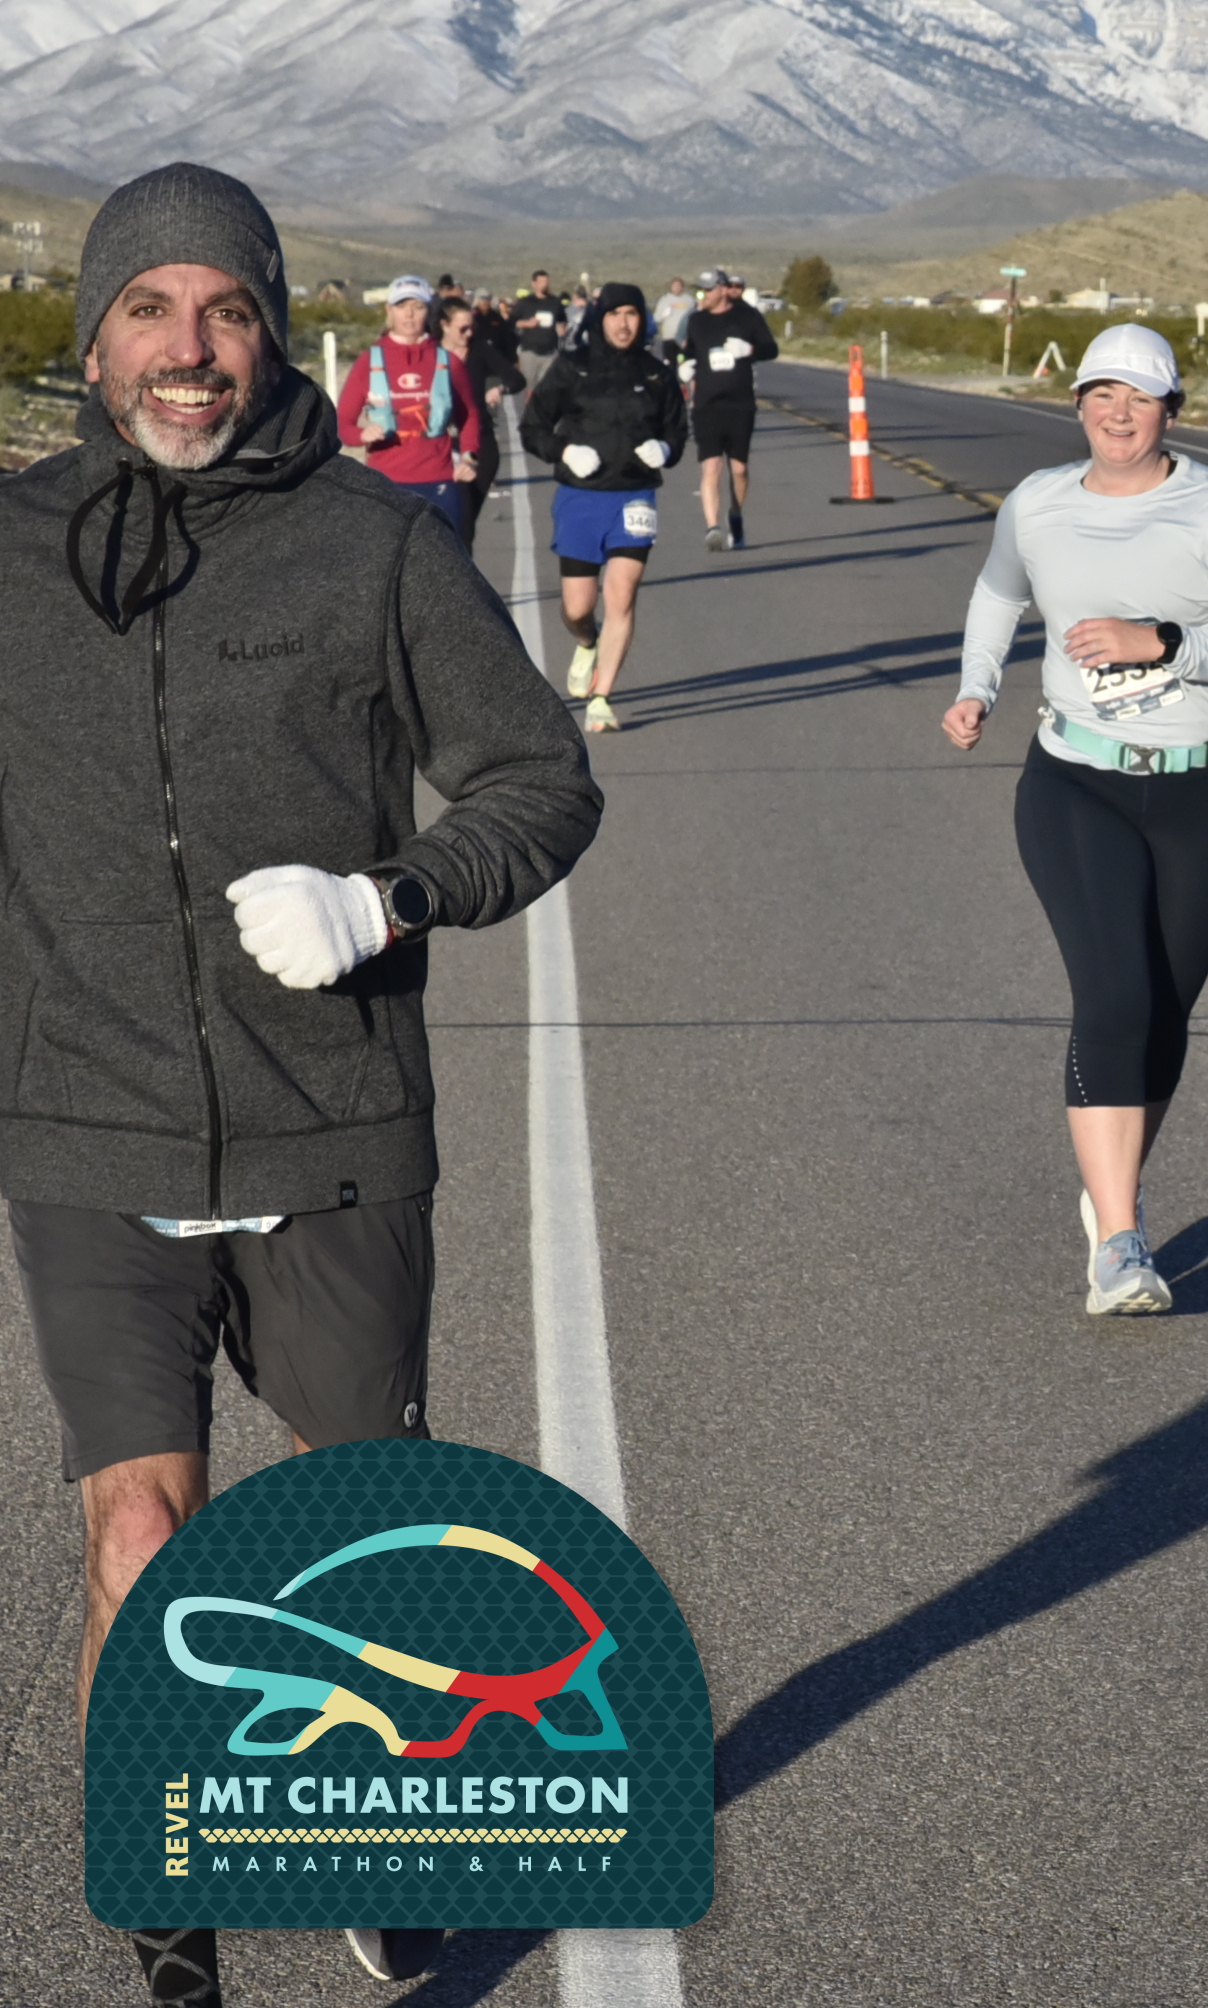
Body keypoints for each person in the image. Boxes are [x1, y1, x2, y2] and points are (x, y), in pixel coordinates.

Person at [0, 161, 601, 2007]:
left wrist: (390, 895)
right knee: (140, 1534)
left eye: (227, 309)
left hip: (333, 1128)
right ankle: (171, 1929)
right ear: (94, 337)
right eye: (149, 309)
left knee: (364, 1535)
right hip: (89, 1124)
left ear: (271, 332)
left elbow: (540, 780)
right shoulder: (14, 552)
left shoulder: (374, 546)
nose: (188, 348)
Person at [939, 323, 1208, 1315]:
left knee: (1164, 1013)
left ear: (1170, 409)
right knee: (1115, 998)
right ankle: (1122, 1243)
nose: (1118, 413)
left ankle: (1111, 1190)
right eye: (1101, 394)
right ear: (1079, 403)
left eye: (1139, 397)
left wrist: (1161, 642)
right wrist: (976, 687)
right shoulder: (1039, 502)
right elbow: (996, 595)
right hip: (1076, 782)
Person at [521, 280, 685, 733]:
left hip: (634, 496)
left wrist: (665, 450)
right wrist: (564, 451)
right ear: (600, 319)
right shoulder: (573, 368)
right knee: (578, 606)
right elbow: (533, 426)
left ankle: (601, 697)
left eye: (632, 314)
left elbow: (677, 431)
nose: (624, 323)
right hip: (580, 497)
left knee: (622, 594)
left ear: (642, 320)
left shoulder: (657, 374)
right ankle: (586, 640)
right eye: (615, 314)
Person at [333, 273, 482, 532]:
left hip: (439, 481)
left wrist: (470, 458)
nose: (409, 315)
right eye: (401, 306)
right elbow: (342, 424)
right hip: (385, 482)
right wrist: (362, 435)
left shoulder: (448, 362)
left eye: (418, 306)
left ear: (429, 311)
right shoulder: (369, 361)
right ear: (389, 310)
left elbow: (468, 415)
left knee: (446, 555)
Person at [674, 267, 777, 551]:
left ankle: (735, 514)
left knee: (739, 469)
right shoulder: (696, 321)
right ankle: (713, 528)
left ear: (722, 290)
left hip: (740, 404)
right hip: (706, 404)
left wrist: (749, 351)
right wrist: (684, 365)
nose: (702, 296)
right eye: (699, 291)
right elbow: (687, 350)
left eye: (706, 291)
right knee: (712, 466)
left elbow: (771, 349)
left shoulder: (748, 317)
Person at [453, 289, 526, 550]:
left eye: (471, 328)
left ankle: (460, 571)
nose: (468, 334)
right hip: (442, 447)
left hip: (480, 443)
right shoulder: (431, 355)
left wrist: (500, 389)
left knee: (465, 524)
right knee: (452, 522)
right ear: (444, 326)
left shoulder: (479, 350)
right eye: (462, 329)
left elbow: (516, 378)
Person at [512, 267, 563, 362]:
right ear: (534, 284)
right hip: (530, 352)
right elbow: (512, 322)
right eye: (541, 282)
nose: (545, 284)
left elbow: (562, 321)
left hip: (550, 352)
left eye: (546, 282)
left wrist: (562, 328)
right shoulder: (525, 302)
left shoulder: (555, 302)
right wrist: (527, 323)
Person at [650, 270, 695, 359]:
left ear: (683, 287)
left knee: (685, 362)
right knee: (670, 362)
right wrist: (664, 314)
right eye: (674, 286)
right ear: (671, 287)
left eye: (679, 286)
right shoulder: (664, 300)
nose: (676, 288)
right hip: (669, 338)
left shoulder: (690, 300)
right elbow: (656, 319)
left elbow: (695, 316)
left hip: (684, 338)